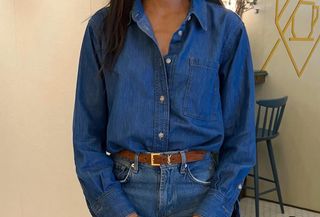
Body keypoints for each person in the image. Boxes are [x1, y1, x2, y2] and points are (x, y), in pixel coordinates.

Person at [72, 0, 256, 216]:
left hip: (201, 194)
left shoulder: (226, 29)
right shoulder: (102, 28)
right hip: (126, 193)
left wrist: (211, 210)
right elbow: (86, 138)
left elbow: (240, 140)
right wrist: (118, 211)